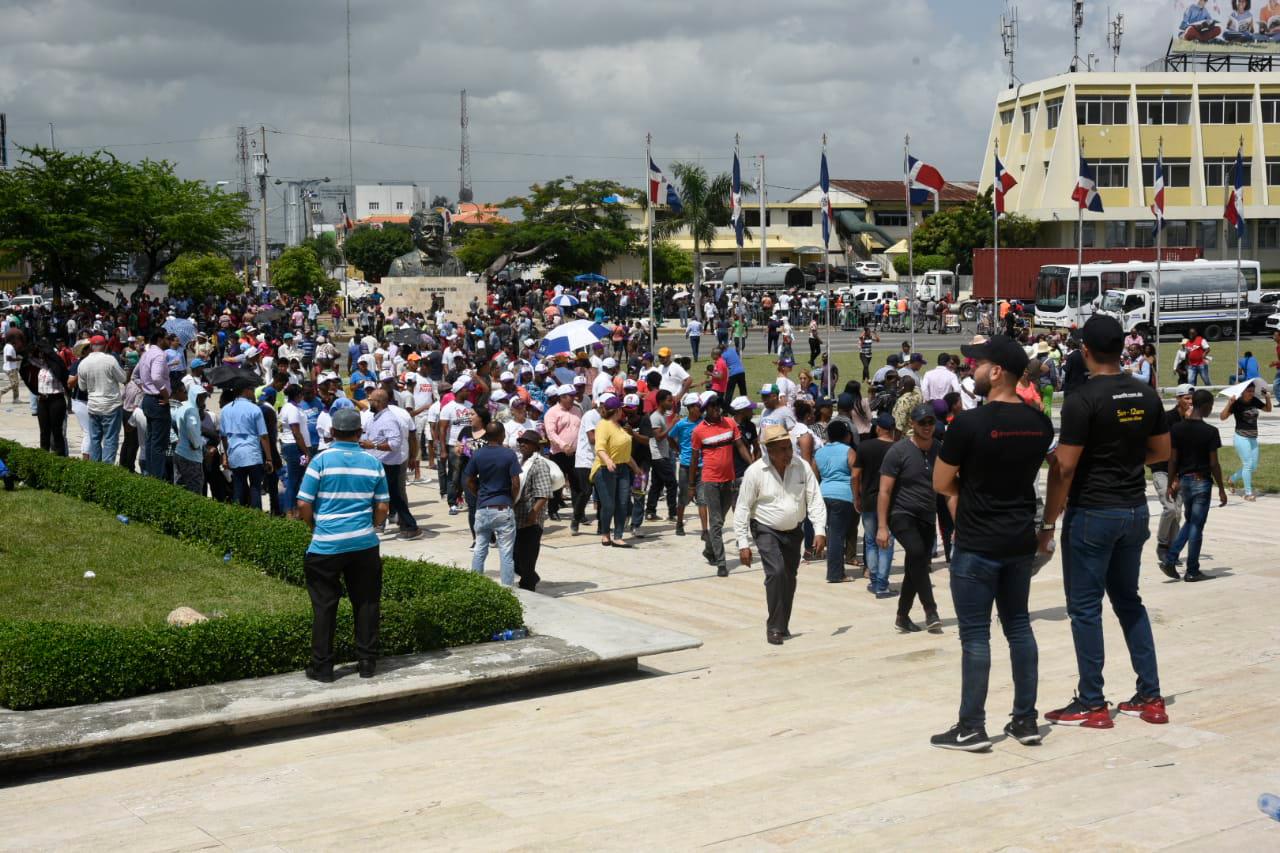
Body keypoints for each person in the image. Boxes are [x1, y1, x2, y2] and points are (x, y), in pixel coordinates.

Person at [1041, 315, 1171, 729]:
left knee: (1084, 609)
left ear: (1085, 352)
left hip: (1093, 511)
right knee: (1129, 601)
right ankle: (1151, 697)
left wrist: (1047, 522)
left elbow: (1065, 468)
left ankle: (1092, 701)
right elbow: (1160, 451)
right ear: (1122, 349)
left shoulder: (1082, 399)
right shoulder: (1145, 392)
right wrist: (1123, 460)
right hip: (1134, 508)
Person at [930, 335, 1054, 752]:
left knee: (976, 637)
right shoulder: (1039, 423)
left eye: (977, 363)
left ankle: (971, 727)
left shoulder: (968, 424)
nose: (971, 369)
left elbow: (942, 482)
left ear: (997, 371)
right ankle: (1025, 720)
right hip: (1019, 541)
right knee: (1019, 627)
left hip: (977, 542)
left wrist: (973, 484)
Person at [296, 407, 389, 682]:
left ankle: (322, 667)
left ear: (332, 433)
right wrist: (371, 526)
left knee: (325, 605)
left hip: (326, 544)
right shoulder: (373, 463)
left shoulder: (321, 461)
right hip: (364, 544)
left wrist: (315, 527)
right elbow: (382, 506)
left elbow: (303, 503)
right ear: (360, 433)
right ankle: (367, 662)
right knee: (367, 602)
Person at [734, 424, 827, 645]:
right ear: (769, 450)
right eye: (783, 449)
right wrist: (743, 543)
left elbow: (815, 499)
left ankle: (782, 623)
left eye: (789, 447)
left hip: (794, 531)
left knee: (789, 577)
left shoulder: (801, 467)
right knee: (775, 572)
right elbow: (743, 508)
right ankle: (774, 627)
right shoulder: (755, 472)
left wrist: (820, 530)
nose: (788, 453)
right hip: (765, 528)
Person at [878, 403, 943, 634]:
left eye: (930, 422)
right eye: (922, 423)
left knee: (915, 565)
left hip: (927, 515)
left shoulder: (939, 449)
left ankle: (902, 616)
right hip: (901, 514)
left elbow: (947, 486)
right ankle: (931, 610)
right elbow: (884, 490)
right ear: (912, 424)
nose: (927, 427)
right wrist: (882, 526)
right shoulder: (898, 451)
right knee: (916, 554)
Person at [1161, 390, 1229, 582]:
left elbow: (1172, 460)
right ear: (1206, 405)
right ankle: (1192, 570)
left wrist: (1171, 483)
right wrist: (1221, 489)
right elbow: (1214, 463)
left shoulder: (1178, 429)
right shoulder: (1210, 432)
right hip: (1201, 482)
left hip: (1184, 482)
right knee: (1197, 526)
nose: (1211, 409)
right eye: (1211, 405)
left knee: (1191, 521)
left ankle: (1170, 559)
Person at [691, 394, 750, 576]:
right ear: (706, 409)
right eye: (713, 406)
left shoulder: (730, 424)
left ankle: (709, 549)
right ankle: (721, 563)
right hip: (710, 481)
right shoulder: (699, 431)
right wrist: (691, 484)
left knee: (720, 520)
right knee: (716, 521)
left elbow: (740, 446)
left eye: (718, 406)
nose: (717, 409)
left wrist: (753, 465)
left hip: (729, 480)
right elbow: (694, 459)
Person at [465, 422, 522, 586]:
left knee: (480, 549)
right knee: (506, 552)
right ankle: (507, 589)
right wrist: (512, 500)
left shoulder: (478, 454)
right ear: (501, 435)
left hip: (483, 508)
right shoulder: (508, 455)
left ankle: (475, 585)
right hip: (503, 508)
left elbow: (469, 480)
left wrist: (479, 494)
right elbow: (516, 483)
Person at [361, 388, 423, 540]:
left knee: (393, 497)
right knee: (389, 496)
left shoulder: (388, 419)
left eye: (372, 400)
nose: (370, 402)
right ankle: (401, 525)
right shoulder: (375, 417)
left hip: (388, 465)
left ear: (380, 402)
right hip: (378, 463)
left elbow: (395, 443)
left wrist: (373, 446)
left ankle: (410, 526)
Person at [854, 412, 897, 598]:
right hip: (891, 501)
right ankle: (882, 584)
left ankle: (874, 579)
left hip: (869, 500)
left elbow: (855, 475)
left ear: (878, 427)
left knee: (871, 540)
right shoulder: (898, 449)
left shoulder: (864, 447)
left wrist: (856, 497)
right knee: (886, 542)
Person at [1150, 384, 1193, 566]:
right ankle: (1162, 545)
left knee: (1178, 512)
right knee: (1170, 508)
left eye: (1192, 399)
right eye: (1186, 398)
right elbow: (1167, 449)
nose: (1190, 402)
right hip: (1162, 468)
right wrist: (1173, 478)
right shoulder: (1168, 419)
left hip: (1181, 471)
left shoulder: (1193, 419)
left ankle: (1172, 550)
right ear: (1178, 399)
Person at [591, 395, 641, 548]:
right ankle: (605, 533)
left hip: (623, 469)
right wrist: (608, 461)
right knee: (609, 505)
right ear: (617, 410)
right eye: (622, 408)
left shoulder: (620, 426)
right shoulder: (603, 425)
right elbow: (599, 447)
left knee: (622, 503)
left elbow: (624, 454)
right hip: (605, 469)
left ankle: (618, 536)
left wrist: (636, 468)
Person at [219, 376, 272, 508]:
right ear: (245, 391)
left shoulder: (225, 410)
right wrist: (269, 459)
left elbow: (224, 437)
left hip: (235, 455)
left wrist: (227, 455)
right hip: (253, 455)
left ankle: (239, 519)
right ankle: (257, 520)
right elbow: (263, 436)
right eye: (252, 390)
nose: (253, 392)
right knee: (255, 488)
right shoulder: (254, 409)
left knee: (238, 489)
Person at [815, 420, 858, 584]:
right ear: (846, 436)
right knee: (837, 536)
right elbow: (855, 475)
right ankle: (835, 573)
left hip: (823, 494)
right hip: (843, 496)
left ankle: (835, 570)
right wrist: (857, 497)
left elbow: (815, 476)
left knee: (831, 533)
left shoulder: (819, 452)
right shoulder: (849, 451)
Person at [513, 429, 553, 591]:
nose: (522, 444)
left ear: (535, 446)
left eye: (526, 442)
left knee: (527, 558)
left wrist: (533, 514)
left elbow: (544, 493)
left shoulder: (539, 464)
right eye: (520, 442)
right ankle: (531, 577)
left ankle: (529, 586)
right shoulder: (520, 461)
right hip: (516, 517)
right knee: (516, 559)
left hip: (531, 520)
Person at [76, 335, 126, 463]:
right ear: (105, 346)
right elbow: (123, 379)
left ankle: (96, 469)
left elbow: (82, 387)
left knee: (95, 439)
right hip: (111, 406)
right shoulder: (110, 360)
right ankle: (107, 471)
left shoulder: (83, 363)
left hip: (93, 406)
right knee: (110, 440)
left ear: (91, 347)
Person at [1220, 380, 1271, 502]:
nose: (1251, 393)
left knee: (1253, 467)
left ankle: (1231, 479)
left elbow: (1268, 409)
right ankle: (1248, 492)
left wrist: (1267, 398)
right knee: (1247, 464)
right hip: (1241, 437)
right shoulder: (1236, 403)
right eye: (1249, 391)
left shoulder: (1254, 401)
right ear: (1242, 391)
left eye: (1253, 391)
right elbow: (1222, 417)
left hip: (1253, 438)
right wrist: (1229, 404)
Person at [171, 382, 207, 495]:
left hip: (179, 452)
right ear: (194, 396)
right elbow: (191, 426)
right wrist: (196, 443)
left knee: (180, 487)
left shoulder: (183, 407)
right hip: (191, 456)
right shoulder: (191, 410)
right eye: (200, 397)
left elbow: (173, 419)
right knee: (195, 490)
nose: (203, 400)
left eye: (204, 397)